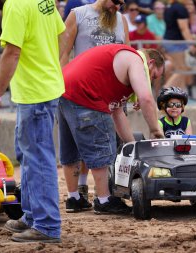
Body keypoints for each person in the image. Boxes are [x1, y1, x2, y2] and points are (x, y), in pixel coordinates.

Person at [0, 0, 65, 243]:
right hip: (41, 90)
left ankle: (47, 225)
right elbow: (62, 35)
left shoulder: (16, 5)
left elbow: (12, 52)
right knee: (28, 156)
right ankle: (32, 216)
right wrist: (51, 68)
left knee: (38, 159)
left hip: (34, 94)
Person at [59, 45, 165, 214]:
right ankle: (104, 200)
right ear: (150, 63)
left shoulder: (121, 69)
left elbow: (117, 112)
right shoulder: (135, 59)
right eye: (153, 76)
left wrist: (132, 145)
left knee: (70, 149)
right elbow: (146, 98)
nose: (150, 80)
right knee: (101, 146)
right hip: (85, 94)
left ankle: (74, 198)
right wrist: (156, 130)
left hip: (64, 90)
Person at [61, 0, 129, 204]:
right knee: (73, 143)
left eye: (122, 3)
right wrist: (62, 85)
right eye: (116, 2)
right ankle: (76, 194)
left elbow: (128, 53)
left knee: (107, 144)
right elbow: (63, 52)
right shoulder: (78, 14)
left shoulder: (121, 19)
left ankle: (103, 191)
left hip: (111, 92)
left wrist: (129, 93)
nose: (117, 7)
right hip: (81, 89)